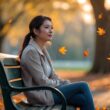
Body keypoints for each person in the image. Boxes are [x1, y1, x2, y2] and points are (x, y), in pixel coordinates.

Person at [19, 15, 95, 110]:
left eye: (52, 28)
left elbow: (53, 74)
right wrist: (59, 83)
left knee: (82, 99)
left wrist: (63, 82)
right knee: (83, 85)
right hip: (41, 96)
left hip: (49, 91)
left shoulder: (42, 49)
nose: (51, 30)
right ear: (36, 31)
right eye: (46, 27)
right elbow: (41, 81)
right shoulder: (31, 52)